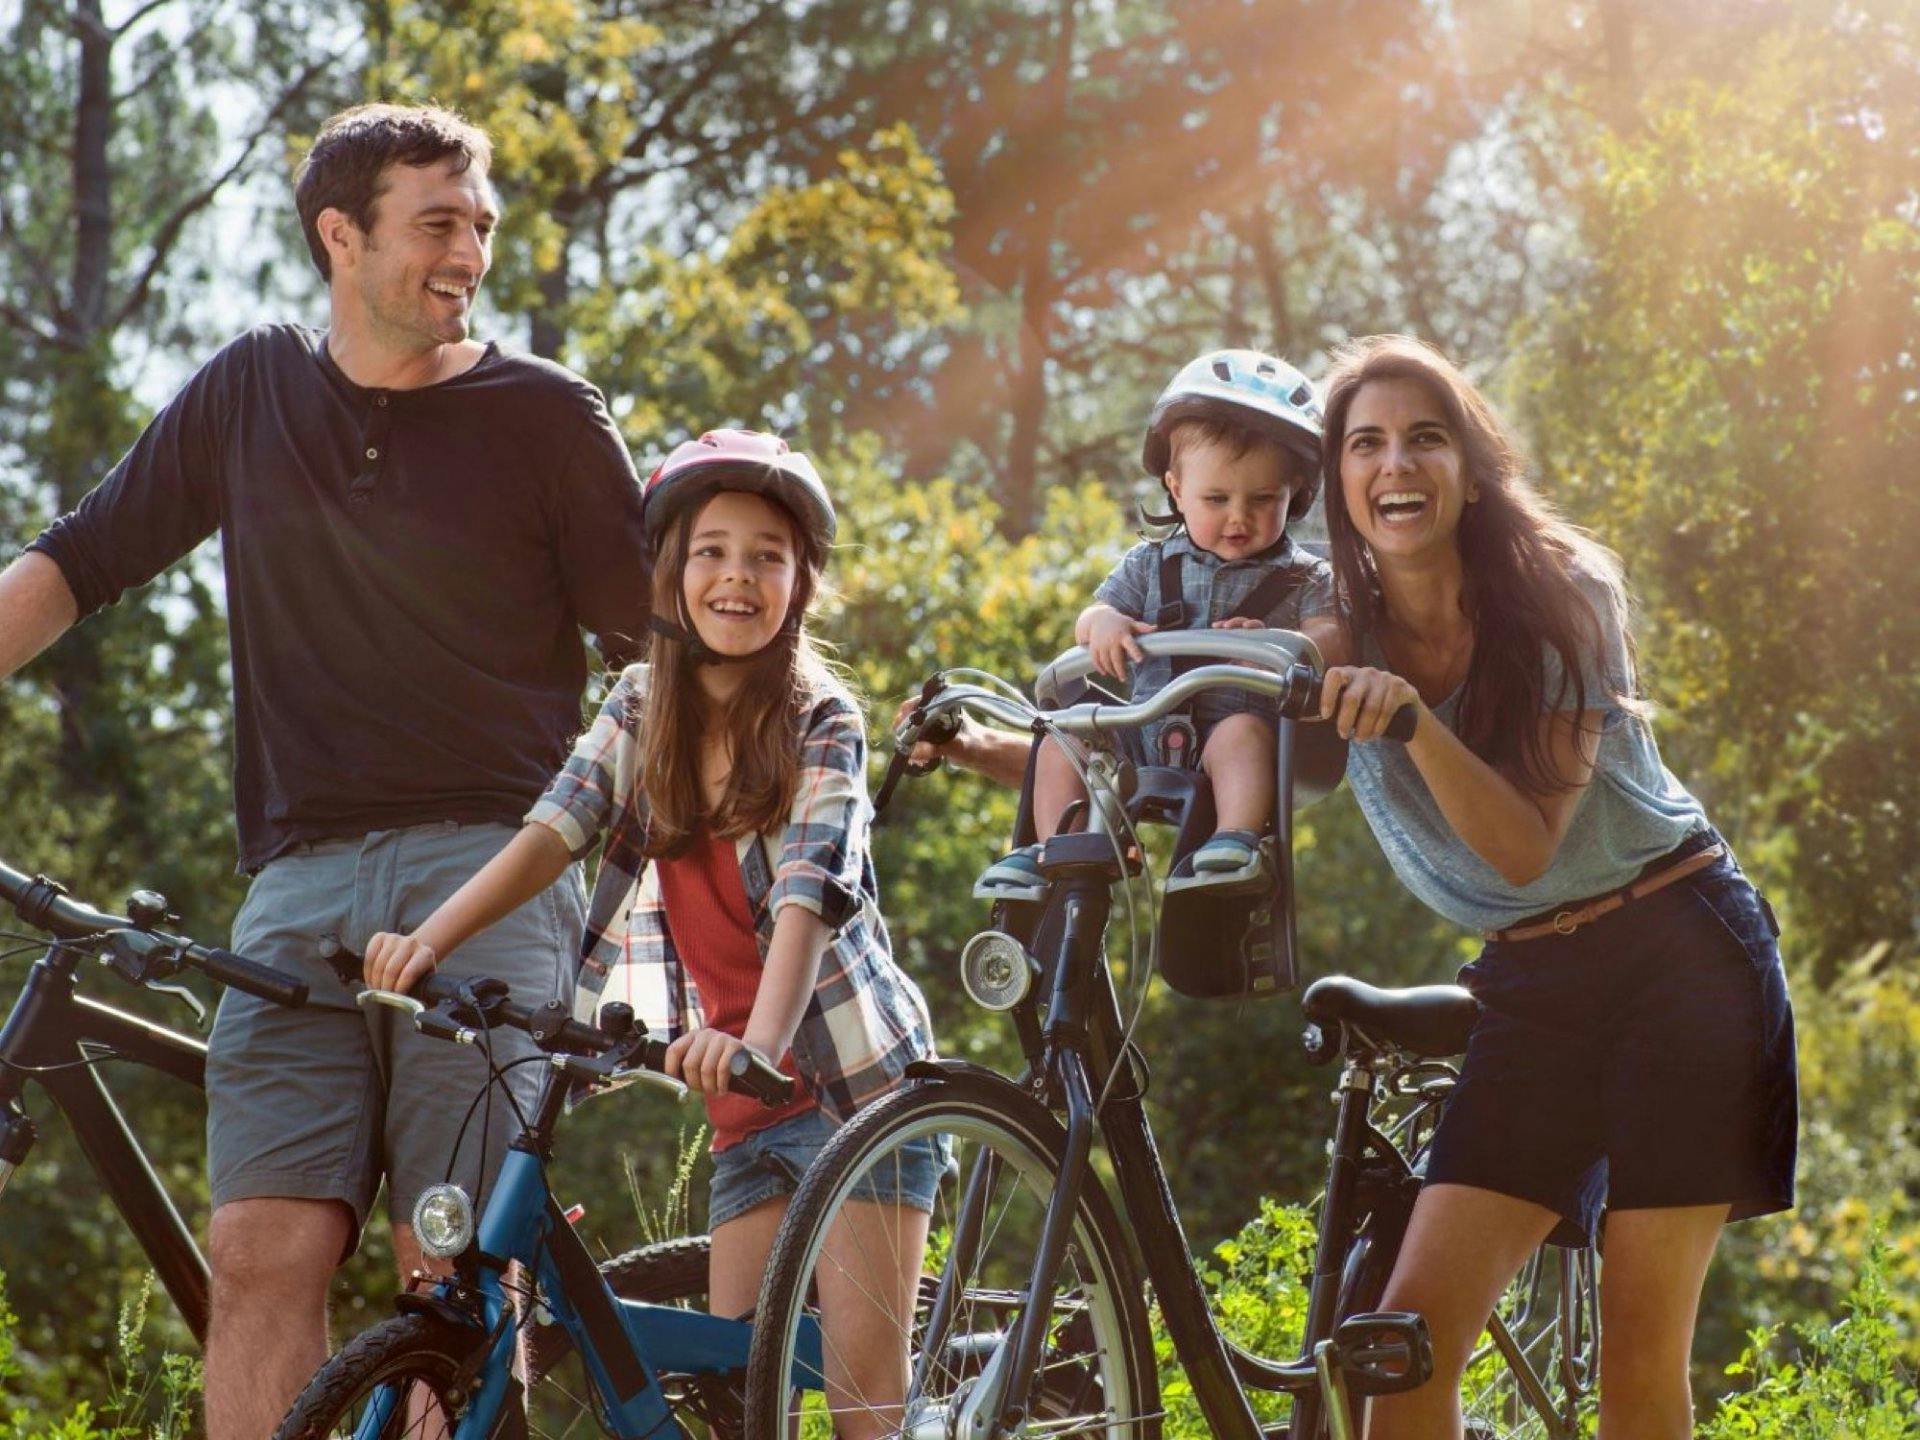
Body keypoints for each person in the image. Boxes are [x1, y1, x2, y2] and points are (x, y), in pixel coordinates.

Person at [0, 104, 650, 1438]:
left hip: (490, 871)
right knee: (257, 1252)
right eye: (438, 224)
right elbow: (78, 560)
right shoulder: (253, 389)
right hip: (295, 889)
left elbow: (664, 659)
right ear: (339, 235)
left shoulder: (546, 416)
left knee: (449, 1262)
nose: (470, 253)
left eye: (480, 225)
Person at [362, 428, 940, 1440]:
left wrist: (760, 1043)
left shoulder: (823, 720)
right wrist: (430, 940)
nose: (738, 575)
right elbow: (555, 829)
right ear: (670, 573)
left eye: (767, 555)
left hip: (856, 1095)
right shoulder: (643, 704)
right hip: (746, 1115)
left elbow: (810, 893)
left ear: (800, 584)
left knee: (863, 1407)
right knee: (739, 1406)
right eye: (712, 550)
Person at [1313, 334, 1797, 1439]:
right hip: (1533, 981)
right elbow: (1191, 707)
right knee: (1404, 1349)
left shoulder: (1562, 594)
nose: (1397, 464)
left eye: (1426, 439)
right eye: (1366, 444)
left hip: (1681, 956)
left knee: (1637, 1352)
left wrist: (1411, 720)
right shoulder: (1329, 619)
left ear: (1473, 470)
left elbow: (1526, 848)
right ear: (1336, 480)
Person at [974, 349, 1337, 900]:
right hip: (1143, 729)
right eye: (1216, 498)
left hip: (1233, 734)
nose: (1239, 516)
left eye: (1264, 499)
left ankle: (1236, 837)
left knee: (1241, 735)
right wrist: (1103, 625)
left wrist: (1286, 646)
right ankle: (1058, 846)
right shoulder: (1150, 564)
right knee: (1063, 734)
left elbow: (1333, 638)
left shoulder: (1306, 576)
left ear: (1296, 493)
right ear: (1176, 488)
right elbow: (1092, 616)